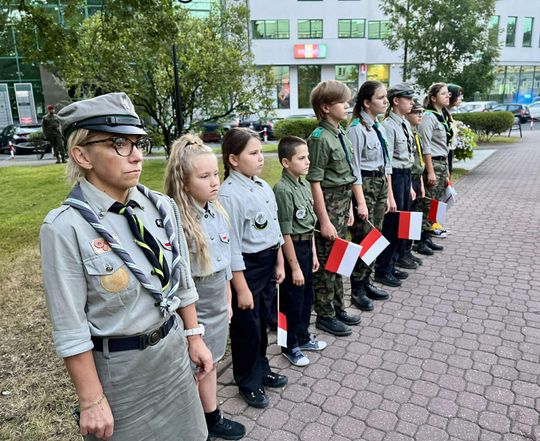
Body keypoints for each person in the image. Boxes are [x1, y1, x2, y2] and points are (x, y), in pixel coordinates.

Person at [40, 93, 211, 441]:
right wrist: (91, 400)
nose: (136, 155)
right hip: (122, 374)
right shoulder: (65, 227)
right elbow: (70, 326)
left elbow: (181, 282)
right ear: (82, 155)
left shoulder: (160, 207)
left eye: (138, 143)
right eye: (118, 143)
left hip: (173, 353)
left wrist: (194, 336)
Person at [164, 134, 246, 440]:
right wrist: (191, 325)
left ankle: (212, 417)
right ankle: (194, 426)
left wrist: (228, 295)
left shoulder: (216, 210)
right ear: (184, 183)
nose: (214, 182)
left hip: (217, 302)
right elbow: (182, 281)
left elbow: (224, 261)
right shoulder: (179, 223)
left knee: (211, 362)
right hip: (194, 309)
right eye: (204, 177)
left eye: (215, 174)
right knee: (193, 368)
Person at [218, 127, 287, 409]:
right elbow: (231, 246)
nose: (261, 158)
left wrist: (279, 260)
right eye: (254, 153)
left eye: (261, 152)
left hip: (267, 262)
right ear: (233, 159)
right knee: (247, 328)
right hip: (247, 269)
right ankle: (247, 380)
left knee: (262, 325)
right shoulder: (229, 195)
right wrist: (242, 288)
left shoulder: (260, 185)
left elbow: (274, 227)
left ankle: (262, 367)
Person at [306, 80, 361, 337]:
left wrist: (348, 207)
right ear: (326, 107)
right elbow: (315, 182)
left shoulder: (340, 133)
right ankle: (325, 315)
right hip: (327, 205)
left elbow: (345, 176)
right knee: (328, 261)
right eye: (342, 102)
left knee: (339, 257)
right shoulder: (319, 138)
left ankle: (338, 308)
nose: (347, 106)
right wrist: (324, 220)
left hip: (341, 202)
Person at [273, 135, 327, 367]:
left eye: (308, 157)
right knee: (290, 302)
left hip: (306, 247)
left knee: (306, 298)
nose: (308, 162)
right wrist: (294, 268)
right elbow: (285, 232)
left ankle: (302, 337)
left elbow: (309, 224)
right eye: (302, 158)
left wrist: (313, 253)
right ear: (286, 162)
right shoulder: (283, 190)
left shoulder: (303, 185)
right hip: (292, 250)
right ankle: (289, 346)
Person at [348, 80, 392, 308]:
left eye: (386, 97)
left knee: (376, 235)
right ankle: (356, 288)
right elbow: (354, 169)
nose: (386, 101)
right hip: (365, 186)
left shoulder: (378, 126)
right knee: (364, 237)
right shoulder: (355, 129)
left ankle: (367, 281)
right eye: (380, 98)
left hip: (380, 183)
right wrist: (361, 202)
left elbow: (386, 162)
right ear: (366, 103)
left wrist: (389, 194)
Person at [374, 83, 416, 286]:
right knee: (391, 224)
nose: (412, 103)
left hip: (405, 176)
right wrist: (390, 193)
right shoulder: (388, 126)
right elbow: (388, 163)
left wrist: (410, 186)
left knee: (403, 223)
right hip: (395, 177)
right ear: (396, 101)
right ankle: (382, 269)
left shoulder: (405, 123)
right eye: (408, 99)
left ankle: (393, 262)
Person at [416, 83, 452, 255]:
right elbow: (425, 146)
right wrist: (430, 171)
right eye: (443, 94)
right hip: (433, 164)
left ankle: (427, 235)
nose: (447, 96)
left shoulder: (442, 115)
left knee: (435, 203)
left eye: (448, 93)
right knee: (427, 203)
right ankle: (420, 240)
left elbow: (445, 145)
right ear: (433, 98)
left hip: (441, 163)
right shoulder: (429, 117)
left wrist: (447, 169)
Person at [404, 99, 426, 264]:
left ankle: (408, 249)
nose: (420, 115)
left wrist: (421, 183)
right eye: (416, 112)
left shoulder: (415, 132)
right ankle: (402, 253)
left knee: (414, 218)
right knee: (407, 218)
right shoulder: (406, 132)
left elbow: (418, 161)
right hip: (408, 179)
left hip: (417, 178)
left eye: (421, 112)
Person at [446, 83, 464, 177]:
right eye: (458, 95)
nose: (461, 98)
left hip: (450, 152)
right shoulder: (442, 115)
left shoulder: (449, 114)